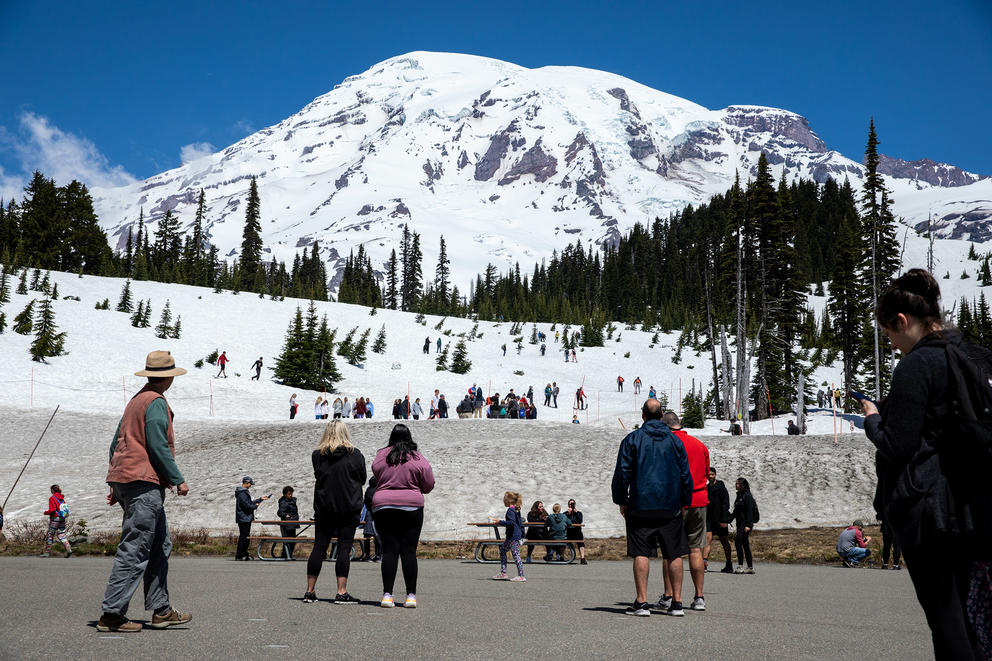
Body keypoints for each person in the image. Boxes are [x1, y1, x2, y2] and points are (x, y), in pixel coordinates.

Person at [860, 269, 988, 659]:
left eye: (889, 334)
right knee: (972, 611)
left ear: (902, 321)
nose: (893, 344)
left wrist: (872, 418)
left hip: (928, 511)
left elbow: (897, 444)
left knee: (945, 618)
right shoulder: (972, 354)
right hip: (973, 504)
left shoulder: (917, 364)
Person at [97, 350, 192, 633]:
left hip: (129, 480)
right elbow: (157, 445)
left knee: (159, 544)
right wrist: (177, 479)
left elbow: (116, 444)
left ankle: (161, 610)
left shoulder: (136, 400)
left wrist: (117, 482)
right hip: (143, 484)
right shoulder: (156, 402)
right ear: (169, 379)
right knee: (136, 546)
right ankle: (112, 614)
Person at [611, 398, 693, 617]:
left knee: (641, 552)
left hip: (640, 505)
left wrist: (622, 500)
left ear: (643, 415)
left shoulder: (632, 439)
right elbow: (686, 474)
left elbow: (622, 474)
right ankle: (677, 602)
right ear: (661, 415)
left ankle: (642, 602)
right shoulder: (675, 442)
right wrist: (685, 501)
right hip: (671, 505)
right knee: (674, 553)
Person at [371, 424, 435, 609]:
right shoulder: (416, 456)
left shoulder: (382, 455)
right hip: (411, 507)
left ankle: (387, 595)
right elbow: (429, 483)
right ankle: (410, 596)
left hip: (384, 505)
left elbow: (376, 472)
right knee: (408, 551)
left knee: (389, 551)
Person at [303, 421, 366, 605]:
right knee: (344, 549)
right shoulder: (355, 454)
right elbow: (362, 478)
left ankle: (310, 591)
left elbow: (318, 475)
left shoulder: (318, 455)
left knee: (319, 547)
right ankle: (341, 591)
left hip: (324, 506)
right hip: (348, 505)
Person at [661, 411, 710, 612]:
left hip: (674, 501)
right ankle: (699, 597)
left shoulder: (666, 444)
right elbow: (707, 472)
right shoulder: (699, 445)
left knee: (670, 551)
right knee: (695, 548)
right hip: (698, 500)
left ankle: (669, 595)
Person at [704, 467, 734, 574]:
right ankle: (704, 564)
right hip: (709, 518)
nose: (710, 476)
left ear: (715, 475)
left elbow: (726, 503)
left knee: (724, 541)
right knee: (708, 540)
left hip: (720, 519)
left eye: (712, 474)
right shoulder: (706, 488)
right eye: (709, 475)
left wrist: (724, 520)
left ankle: (729, 564)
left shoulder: (721, 487)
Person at [492, 491, 526, 581]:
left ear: (509, 500)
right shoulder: (516, 509)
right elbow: (519, 523)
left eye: (504, 499)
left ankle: (521, 576)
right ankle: (503, 573)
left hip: (513, 536)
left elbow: (511, 523)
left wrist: (500, 522)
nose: (503, 500)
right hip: (512, 536)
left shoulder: (511, 510)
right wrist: (522, 534)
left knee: (516, 555)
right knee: (503, 550)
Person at [235, 477, 269, 560]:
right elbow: (247, 505)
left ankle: (243, 553)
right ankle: (240, 554)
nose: (250, 486)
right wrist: (255, 506)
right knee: (244, 537)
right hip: (244, 518)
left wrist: (260, 499)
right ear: (246, 483)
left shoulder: (243, 492)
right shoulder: (242, 493)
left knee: (245, 536)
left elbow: (249, 503)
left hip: (244, 517)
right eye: (250, 484)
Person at [729, 477, 756, 574]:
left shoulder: (747, 496)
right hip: (740, 523)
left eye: (737, 484)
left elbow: (749, 512)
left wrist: (748, 525)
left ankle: (740, 566)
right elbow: (736, 511)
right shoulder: (739, 495)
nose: (736, 485)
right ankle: (750, 567)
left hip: (745, 524)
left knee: (737, 542)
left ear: (742, 485)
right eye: (736, 483)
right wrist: (729, 519)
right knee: (745, 544)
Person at [41, 484, 72, 558]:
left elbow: (52, 510)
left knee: (50, 535)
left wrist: (46, 512)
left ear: (52, 490)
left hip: (55, 518)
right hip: (62, 518)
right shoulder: (62, 499)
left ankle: (47, 552)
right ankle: (68, 549)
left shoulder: (52, 498)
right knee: (62, 534)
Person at [359, 476, 381, 562]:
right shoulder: (378, 490)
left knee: (367, 536)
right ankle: (378, 555)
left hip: (368, 514)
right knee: (377, 536)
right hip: (377, 514)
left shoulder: (368, 490)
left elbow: (365, 502)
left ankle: (367, 555)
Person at [277, 486, 299, 560]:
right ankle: (286, 556)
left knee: (292, 541)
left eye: (291, 494)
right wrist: (285, 515)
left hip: (293, 523)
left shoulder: (292, 500)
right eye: (289, 494)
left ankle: (288, 555)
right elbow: (280, 512)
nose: (290, 495)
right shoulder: (283, 502)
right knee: (288, 541)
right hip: (286, 524)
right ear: (285, 494)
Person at [565, 499, 587, 564]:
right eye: (570, 504)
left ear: (575, 505)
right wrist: (568, 514)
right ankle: (561, 556)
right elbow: (564, 521)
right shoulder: (565, 513)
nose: (571, 505)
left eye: (572, 504)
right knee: (563, 541)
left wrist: (576, 512)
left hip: (577, 532)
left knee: (581, 542)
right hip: (569, 532)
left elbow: (580, 521)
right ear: (568, 505)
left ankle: (582, 558)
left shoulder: (579, 513)